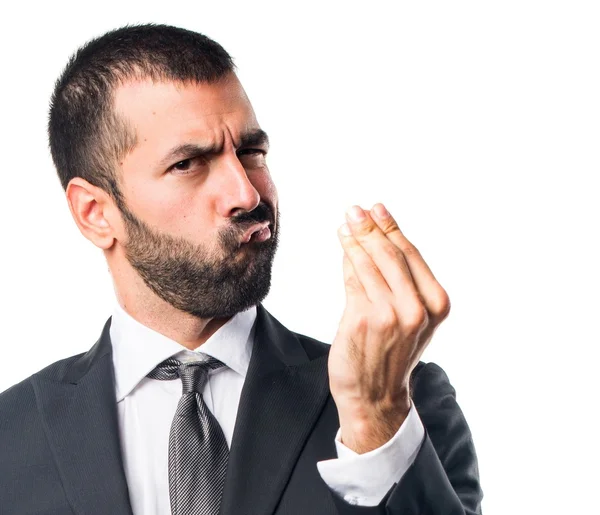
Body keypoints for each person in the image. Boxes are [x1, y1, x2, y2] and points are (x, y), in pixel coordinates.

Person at [0, 24, 483, 515]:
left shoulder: (405, 402)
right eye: (188, 163)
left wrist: (375, 424)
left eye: (251, 152)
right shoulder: (9, 438)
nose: (247, 194)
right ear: (95, 213)